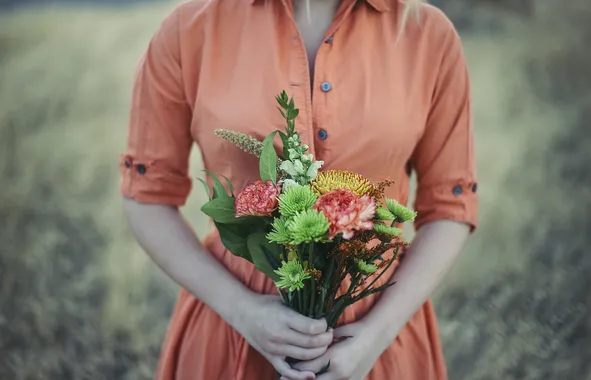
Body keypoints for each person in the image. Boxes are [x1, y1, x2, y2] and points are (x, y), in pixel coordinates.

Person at [120, 0, 478, 378]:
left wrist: (376, 333)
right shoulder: (189, 28)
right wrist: (242, 310)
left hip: (378, 336)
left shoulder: (428, 34)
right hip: (231, 329)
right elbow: (148, 196)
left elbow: (450, 206)